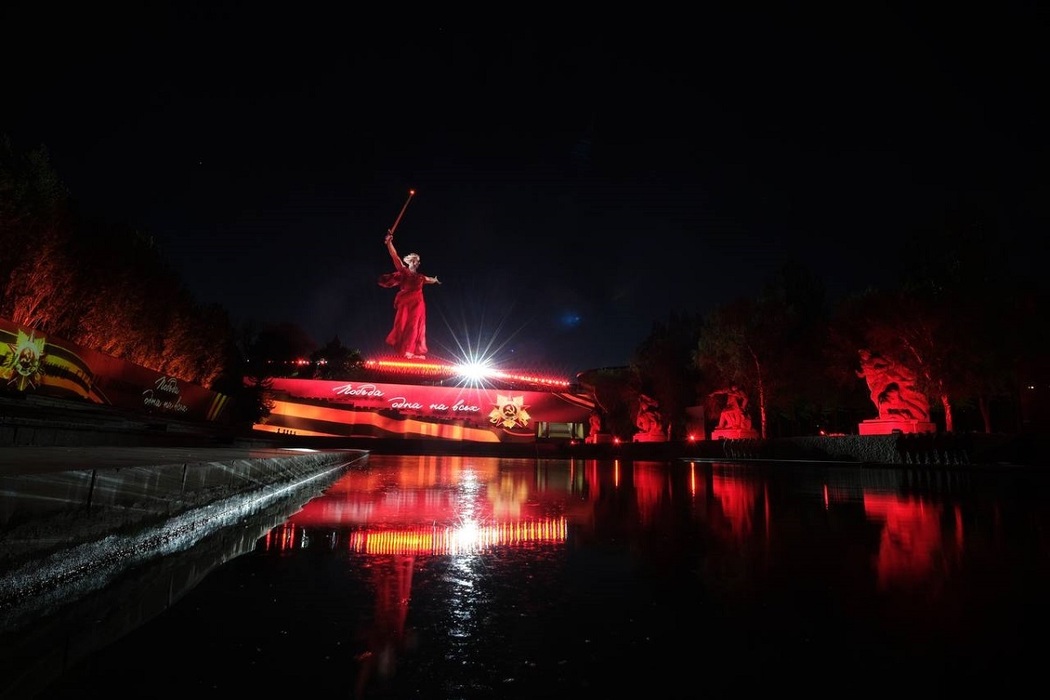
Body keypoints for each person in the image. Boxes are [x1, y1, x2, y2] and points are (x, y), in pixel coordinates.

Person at [378, 233, 440, 359]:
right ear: (411, 261)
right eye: (416, 261)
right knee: (403, 325)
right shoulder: (404, 271)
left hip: (418, 304)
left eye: (419, 261)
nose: (418, 263)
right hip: (406, 303)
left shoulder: (421, 277)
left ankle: (412, 351)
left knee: (415, 326)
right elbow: (394, 256)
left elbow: (430, 279)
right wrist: (389, 243)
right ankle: (406, 350)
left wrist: (435, 280)